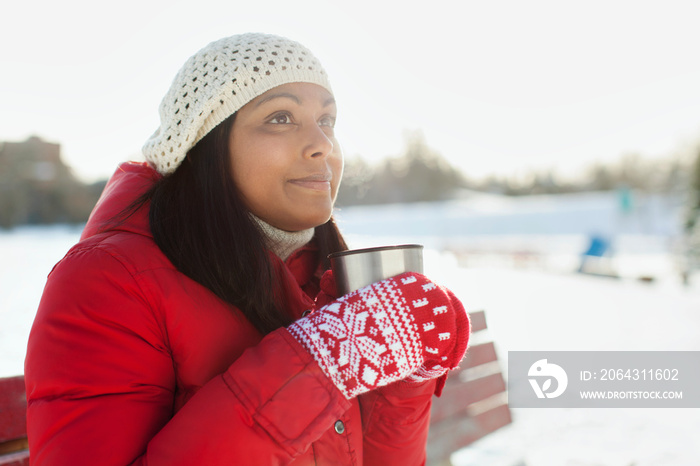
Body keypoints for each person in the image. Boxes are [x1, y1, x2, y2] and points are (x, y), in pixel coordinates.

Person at [24, 33, 470, 465]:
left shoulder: (318, 277)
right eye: (280, 117)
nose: (322, 145)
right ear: (204, 147)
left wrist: (406, 381)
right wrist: (325, 357)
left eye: (327, 121)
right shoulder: (108, 280)